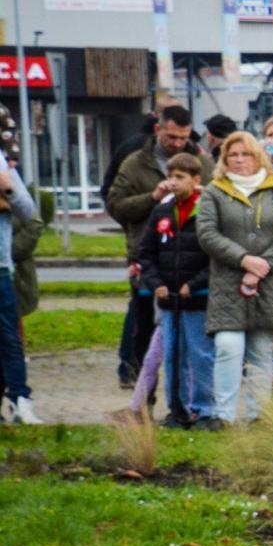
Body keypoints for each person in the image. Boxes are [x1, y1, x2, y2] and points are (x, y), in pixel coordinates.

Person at [196, 131, 273, 424]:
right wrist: (244, 260)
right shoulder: (215, 191)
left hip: (270, 284)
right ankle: (224, 415)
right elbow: (206, 233)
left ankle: (259, 415)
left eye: (246, 154)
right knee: (228, 347)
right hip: (228, 284)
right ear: (224, 159)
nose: (240, 160)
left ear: (258, 157)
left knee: (262, 350)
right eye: (233, 155)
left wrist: (264, 265)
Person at [107, 106, 215, 389]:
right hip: (149, 253)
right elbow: (116, 205)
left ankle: (185, 386)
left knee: (189, 325)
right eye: (171, 137)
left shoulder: (203, 163)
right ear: (158, 129)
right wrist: (152, 198)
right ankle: (136, 375)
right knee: (143, 320)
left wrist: (207, 198)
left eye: (183, 137)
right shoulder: (135, 162)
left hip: (193, 258)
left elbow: (220, 202)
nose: (178, 143)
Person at [136, 152, 215, 428]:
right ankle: (177, 409)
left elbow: (215, 258)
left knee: (201, 355)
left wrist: (192, 285)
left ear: (196, 180)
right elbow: (146, 253)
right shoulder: (162, 211)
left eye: (180, 177)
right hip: (168, 300)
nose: (173, 182)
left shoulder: (207, 209)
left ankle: (203, 409)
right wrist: (156, 284)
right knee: (172, 355)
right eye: (170, 176)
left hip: (197, 299)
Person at [0, 153, 41, 424]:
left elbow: (28, 211)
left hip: (1, 267)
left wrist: (8, 190)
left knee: (9, 338)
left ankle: (19, 400)